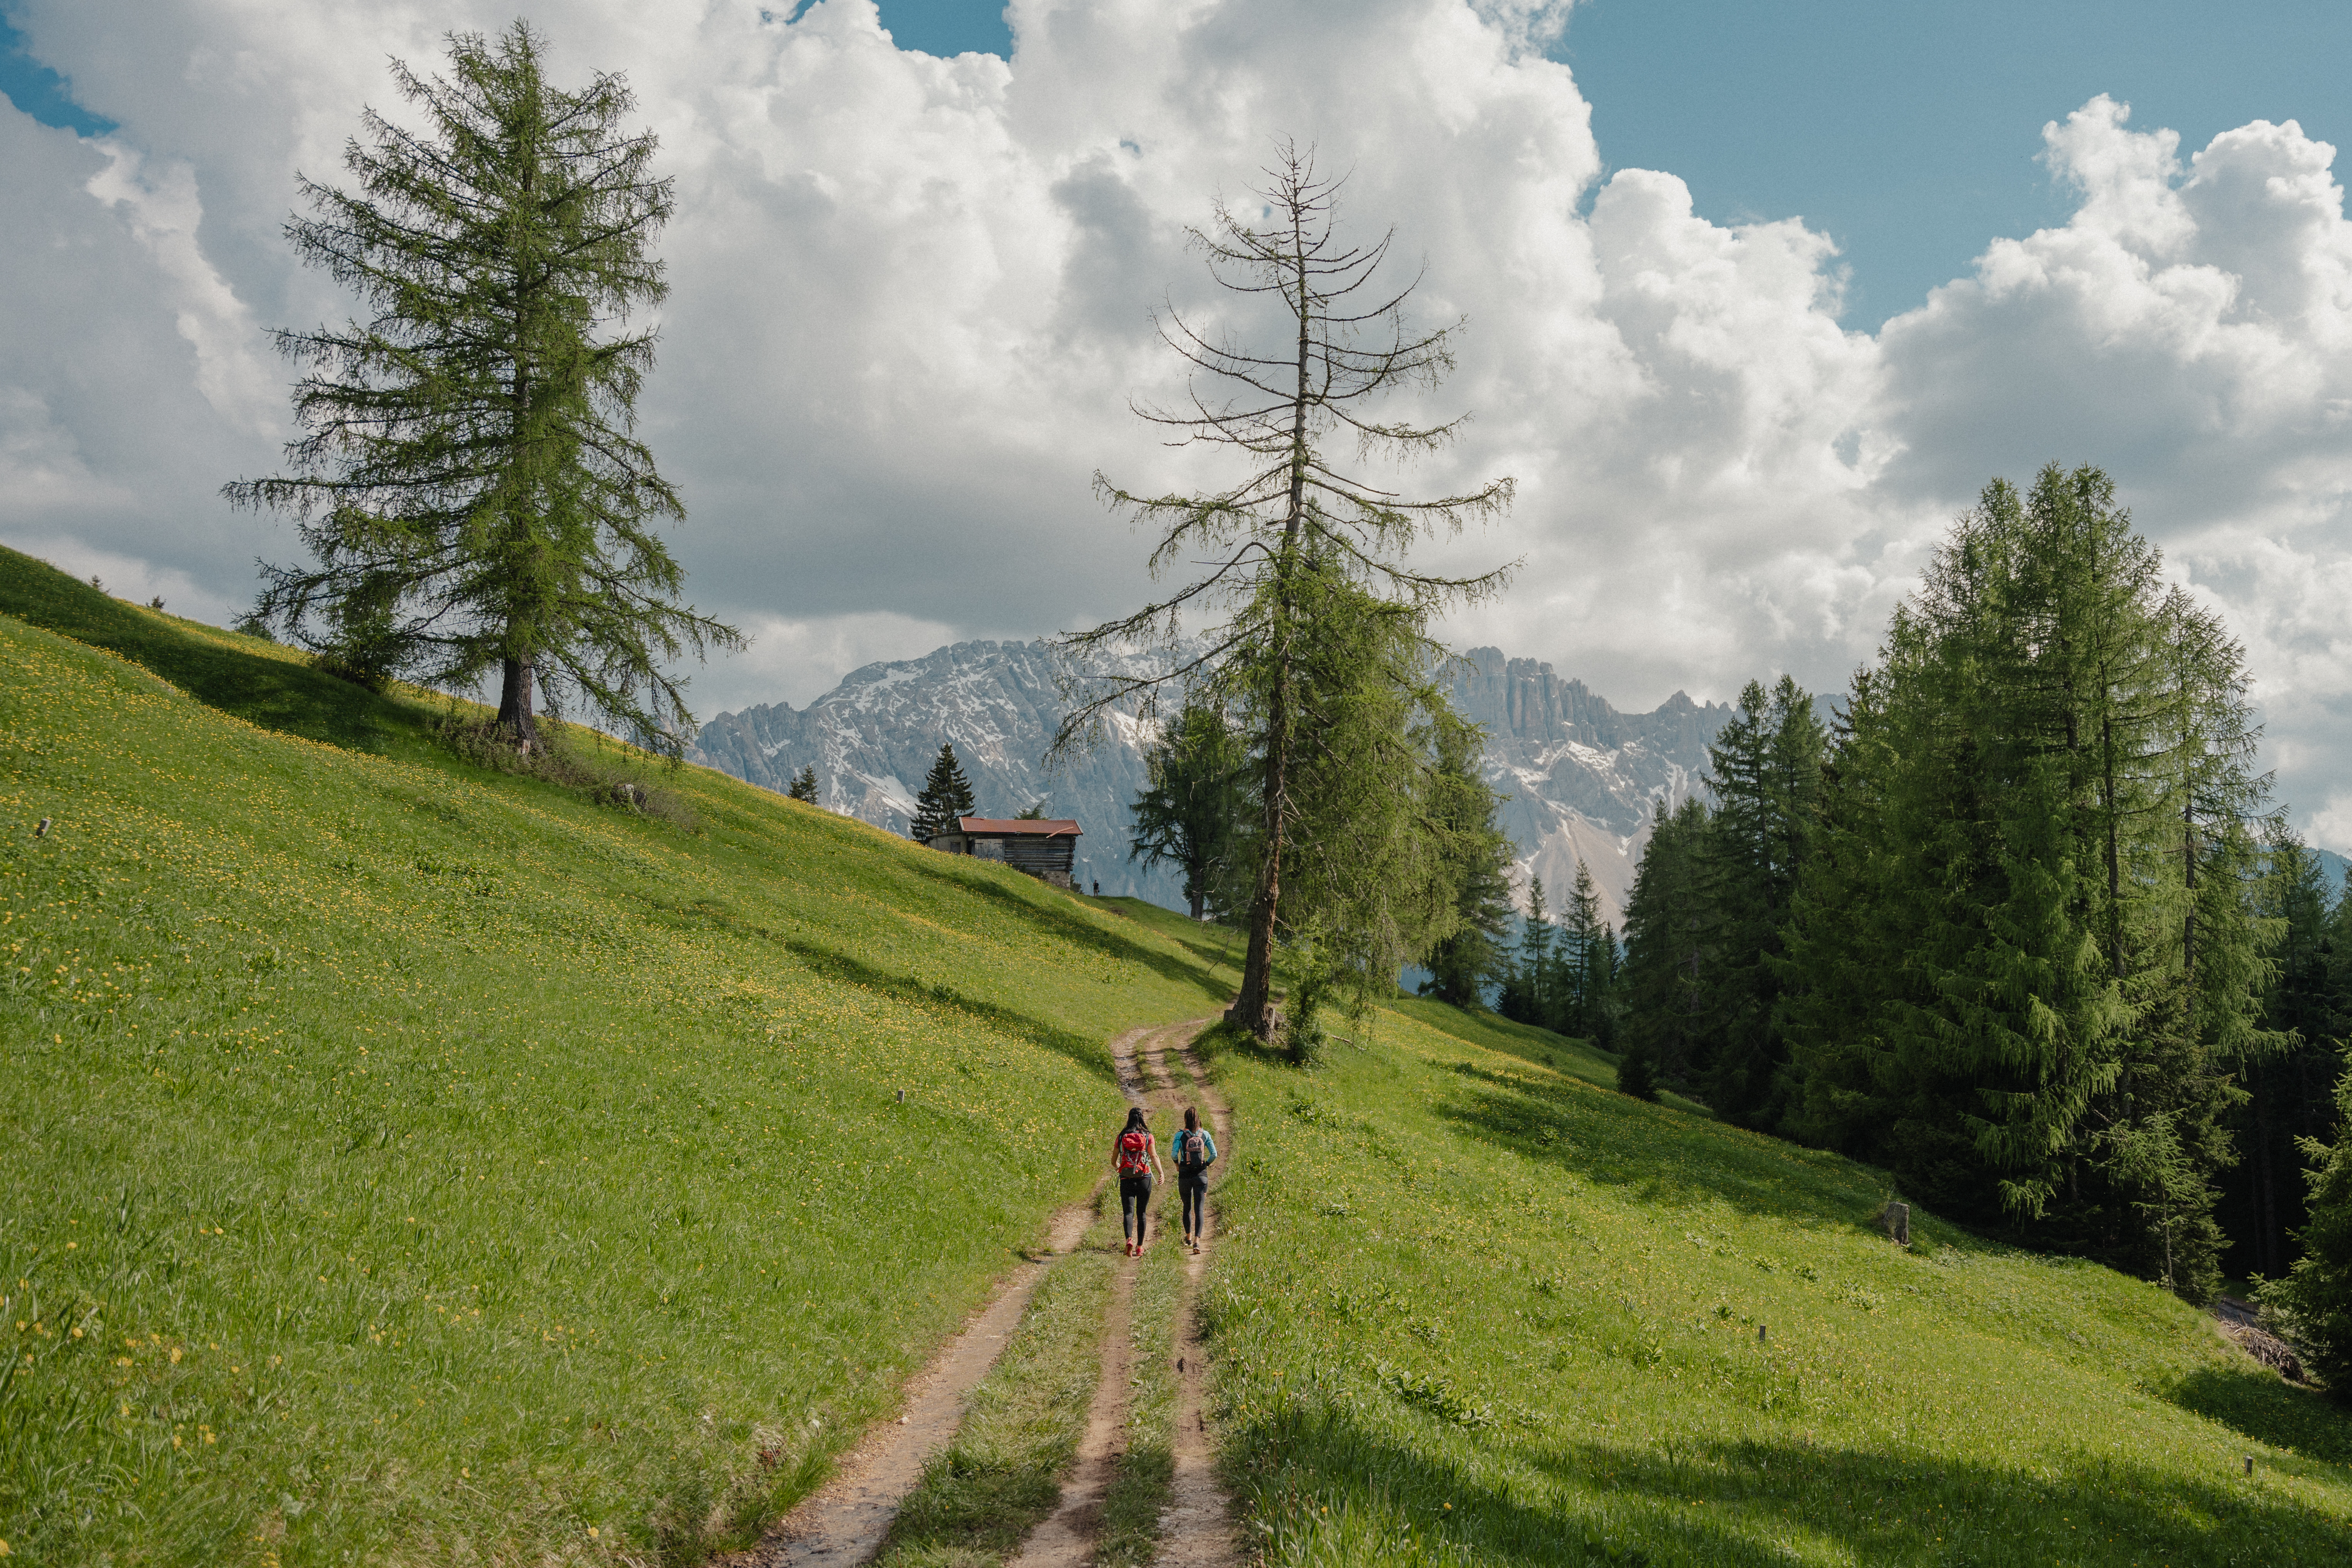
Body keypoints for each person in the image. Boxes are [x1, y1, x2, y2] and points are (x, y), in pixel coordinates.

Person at [1113, 1105, 1161, 1256]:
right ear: (1142, 1118)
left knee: (1128, 1212)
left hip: (1126, 1178)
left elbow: (1113, 1160)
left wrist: (1120, 1168)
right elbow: (1154, 1156)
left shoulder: (1122, 1136)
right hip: (1144, 1178)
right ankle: (1140, 1247)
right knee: (1142, 1213)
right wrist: (1161, 1173)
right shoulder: (1148, 1136)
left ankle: (1129, 1239)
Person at [1172, 1107, 1217, 1253]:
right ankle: (1197, 1242)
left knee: (1187, 1207)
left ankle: (1189, 1238)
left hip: (1185, 1175)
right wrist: (1206, 1164)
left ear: (1185, 1120)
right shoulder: (1205, 1134)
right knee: (1199, 1209)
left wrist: (1178, 1165)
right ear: (1198, 1119)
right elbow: (1214, 1154)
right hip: (1201, 1175)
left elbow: (1174, 1154)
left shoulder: (1180, 1135)